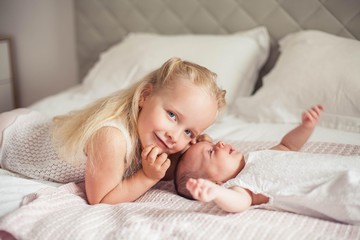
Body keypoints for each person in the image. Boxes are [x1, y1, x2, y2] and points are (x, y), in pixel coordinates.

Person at [0, 57, 226, 205]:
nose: (174, 136)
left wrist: (197, 148)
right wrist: (146, 177)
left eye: (188, 132)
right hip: (11, 135)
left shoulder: (156, 137)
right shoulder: (112, 138)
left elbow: (173, 169)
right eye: (172, 115)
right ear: (145, 97)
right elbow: (100, 200)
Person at [174, 105, 360, 225]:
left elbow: (289, 145)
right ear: (215, 182)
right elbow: (238, 204)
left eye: (213, 144)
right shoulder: (241, 185)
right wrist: (216, 194)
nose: (220, 143)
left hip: (346, 165)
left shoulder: (257, 157)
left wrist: (305, 128)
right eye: (212, 152)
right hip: (342, 191)